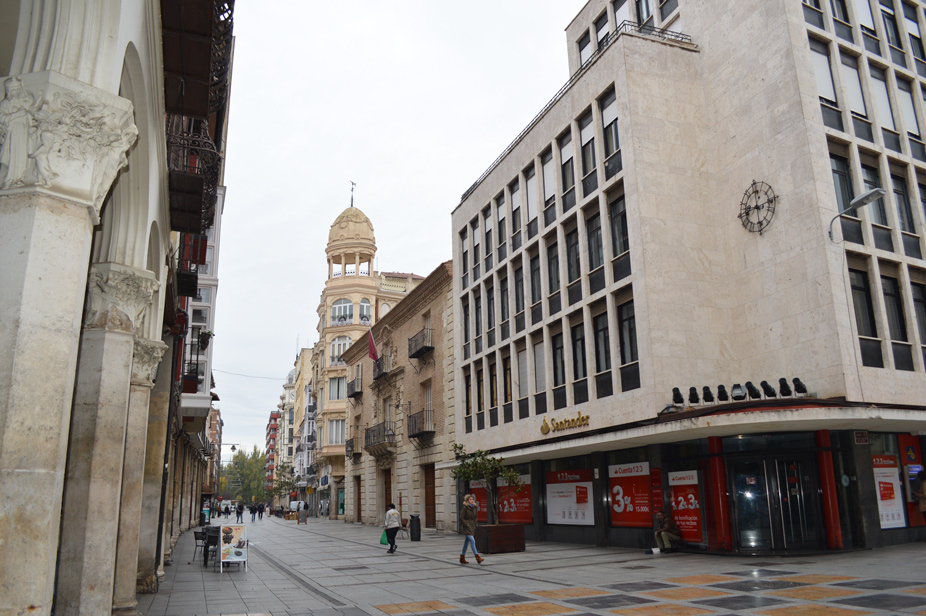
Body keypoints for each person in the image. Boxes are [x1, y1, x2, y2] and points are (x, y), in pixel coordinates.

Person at [459, 494, 483, 564]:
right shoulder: (465, 508)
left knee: (466, 542)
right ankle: (477, 557)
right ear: (467, 501)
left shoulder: (474, 507)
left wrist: (475, 523)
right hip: (467, 526)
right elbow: (461, 517)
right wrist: (466, 524)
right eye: (470, 499)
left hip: (472, 525)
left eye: (472, 499)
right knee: (472, 540)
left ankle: (462, 557)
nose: (472, 501)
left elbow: (475, 517)